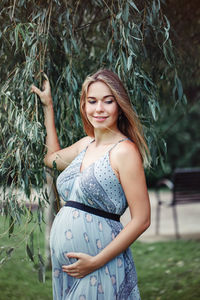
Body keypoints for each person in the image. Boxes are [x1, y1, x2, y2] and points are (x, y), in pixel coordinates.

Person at [31, 69, 151, 300]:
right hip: (69, 270)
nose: (99, 109)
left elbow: (142, 219)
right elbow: (50, 159)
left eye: (108, 101)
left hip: (100, 262)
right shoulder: (86, 144)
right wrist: (48, 107)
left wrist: (96, 261)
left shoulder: (124, 151)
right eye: (92, 101)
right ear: (84, 106)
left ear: (119, 106)